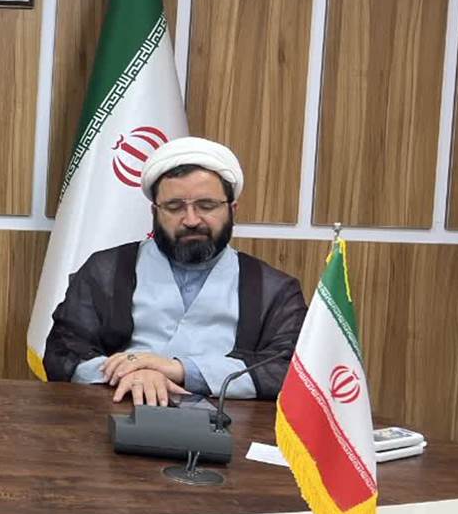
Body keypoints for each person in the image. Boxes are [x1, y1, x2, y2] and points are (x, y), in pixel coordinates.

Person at [43, 137, 306, 406]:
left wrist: (180, 370)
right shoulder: (105, 271)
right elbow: (63, 352)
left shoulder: (275, 290)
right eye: (174, 207)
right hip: (117, 410)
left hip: (230, 422)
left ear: (232, 210)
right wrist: (135, 374)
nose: (191, 220)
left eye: (206, 206)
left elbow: (290, 369)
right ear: (154, 212)